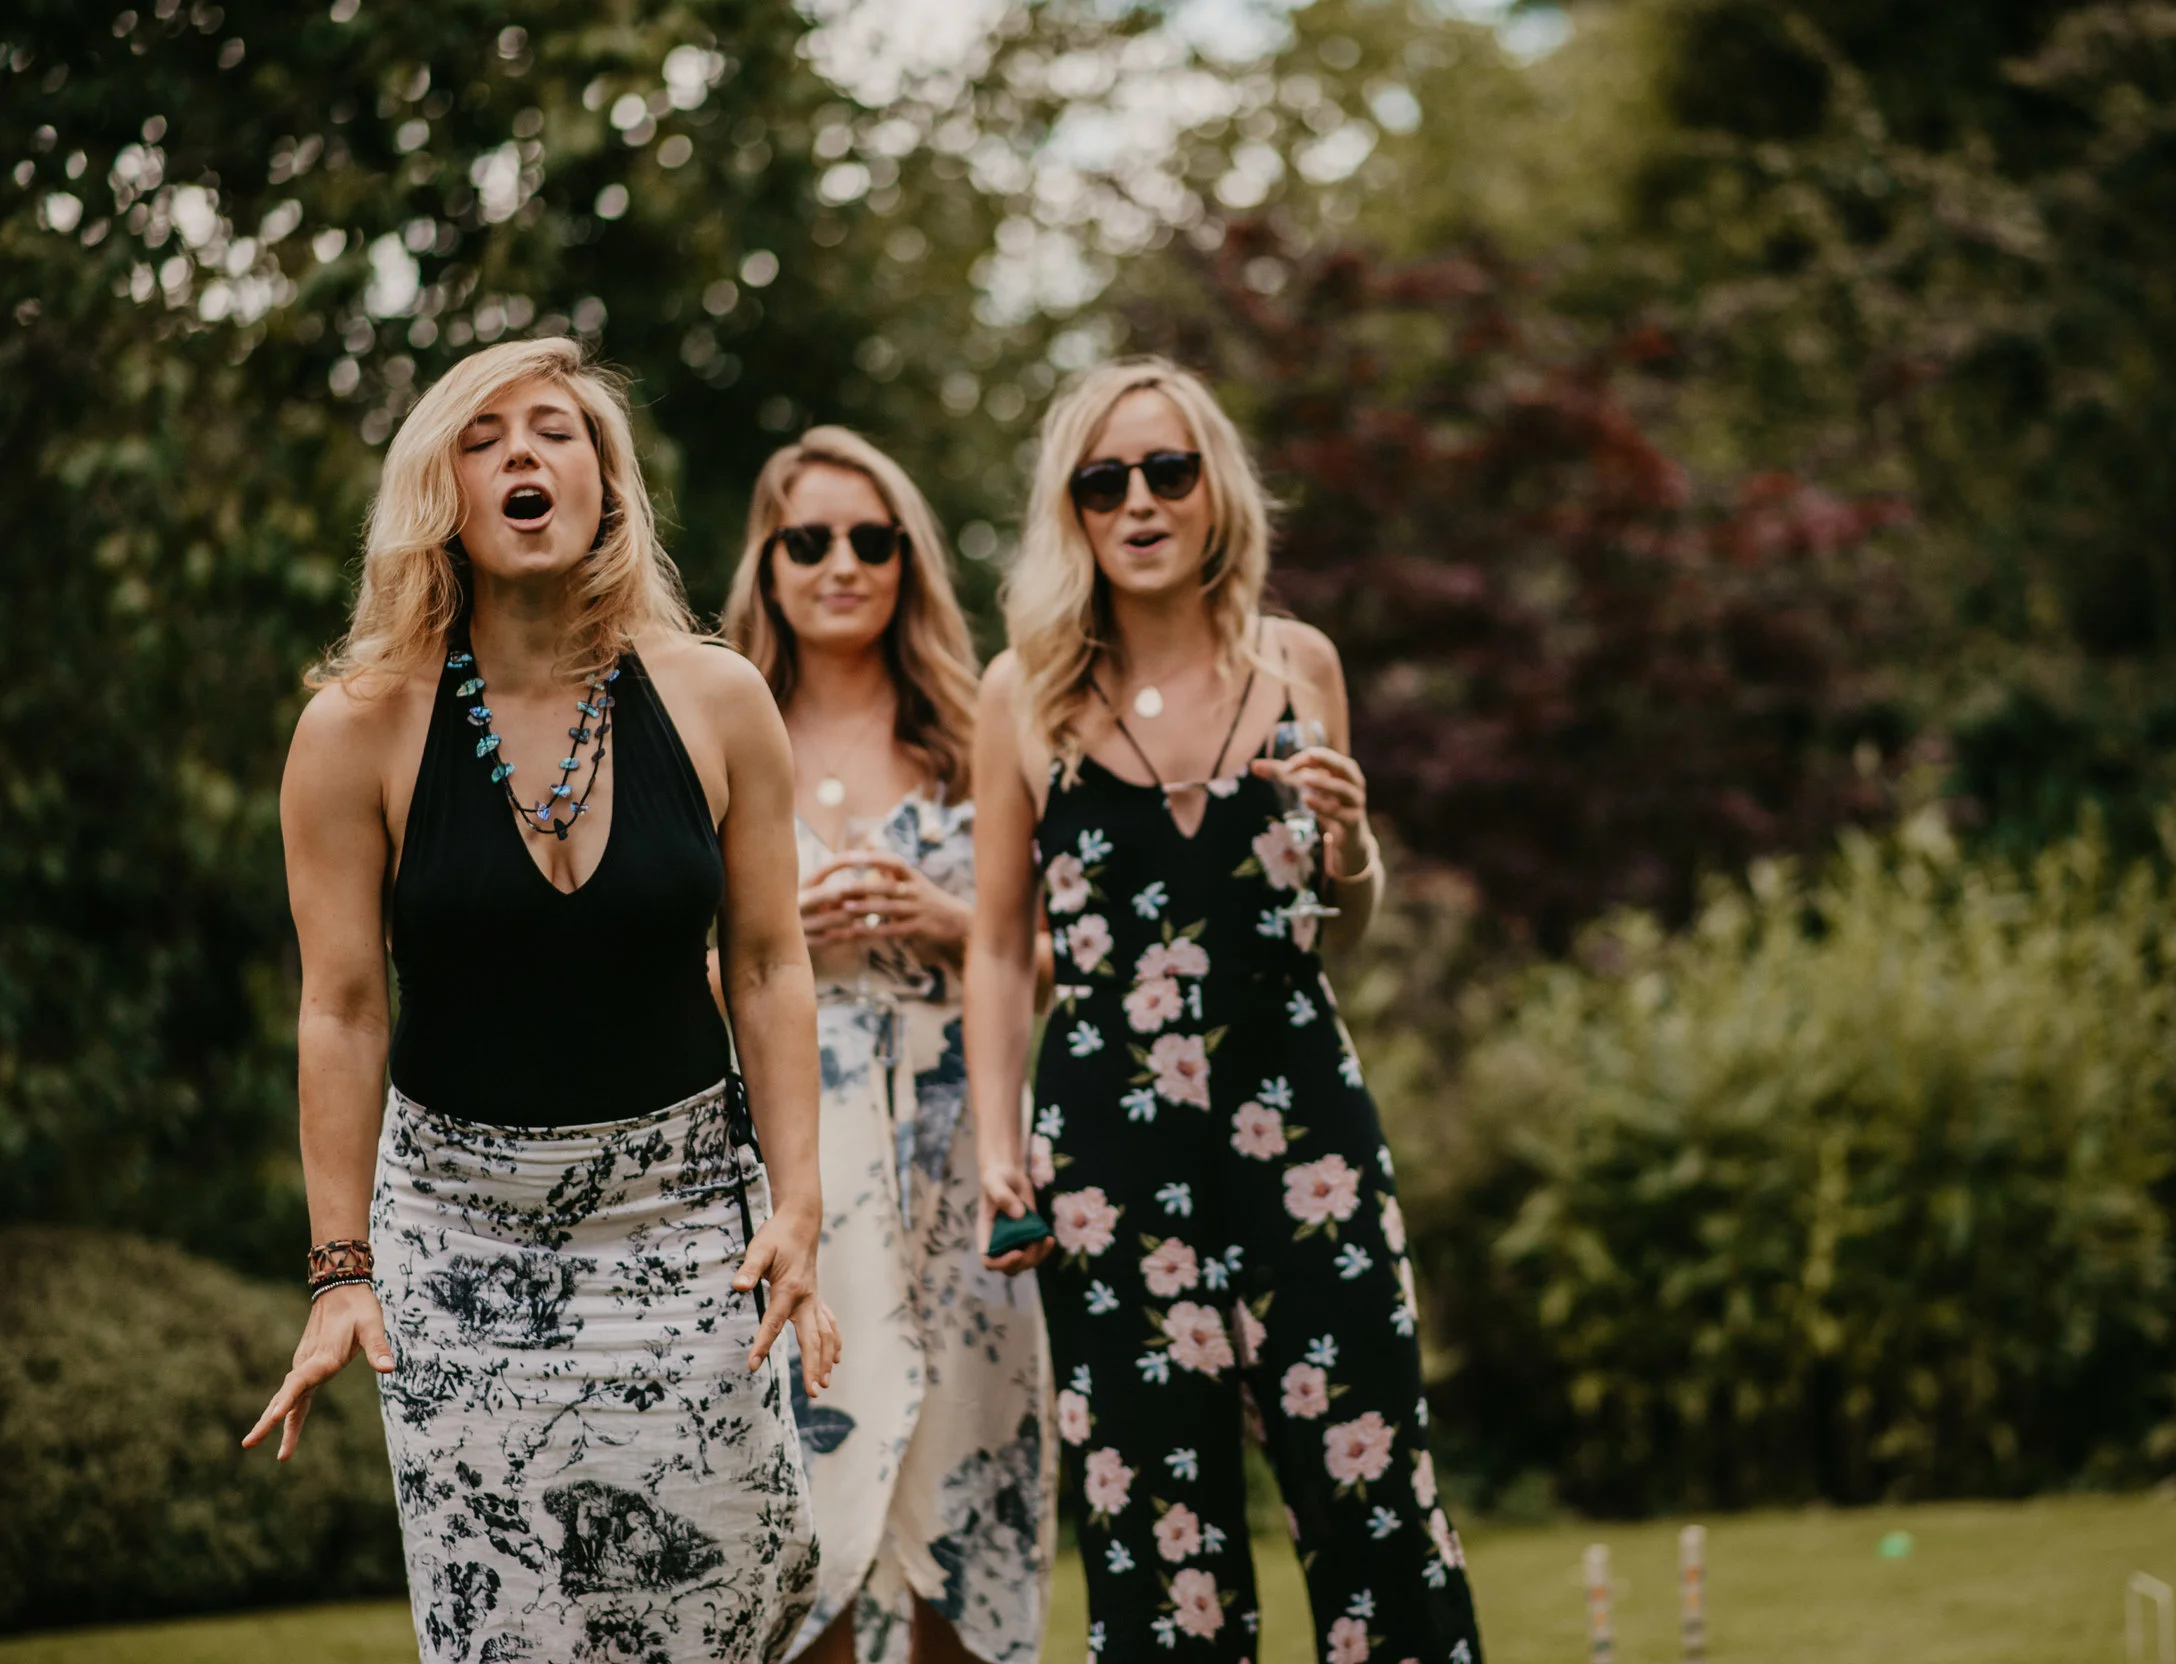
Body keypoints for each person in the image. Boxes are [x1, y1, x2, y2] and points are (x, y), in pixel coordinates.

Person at [244, 337, 838, 1664]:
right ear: (438, 493)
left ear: (607, 486)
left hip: (682, 1217)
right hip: (460, 1242)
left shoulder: (717, 699)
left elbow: (767, 963)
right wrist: (343, 1271)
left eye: (556, 430)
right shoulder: (359, 726)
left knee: (740, 1577)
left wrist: (797, 1205)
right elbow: (341, 1007)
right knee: (507, 1619)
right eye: (483, 433)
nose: (523, 452)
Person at [963, 357, 1485, 1664]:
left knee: (1373, 1495)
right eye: (1104, 481)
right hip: (1108, 1153)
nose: (1138, 502)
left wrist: (1354, 846)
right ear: (1072, 512)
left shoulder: (1301, 666)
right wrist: (994, 1141)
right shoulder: (1022, 695)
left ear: (1214, 493)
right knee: (1156, 1525)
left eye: (1167, 471)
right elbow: (994, 946)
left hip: (1300, 1123)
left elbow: (1335, 933)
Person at [722, 428, 1055, 1664]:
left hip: (958, 1168)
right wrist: (777, 940)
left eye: (875, 539)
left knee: (964, 1507)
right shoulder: (717, 728)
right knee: (810, 1511)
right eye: (809, 540)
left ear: (910, 560)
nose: (843, 563)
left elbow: (1060, 952)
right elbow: (653, 973)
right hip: (793, 1179)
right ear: (768, 562)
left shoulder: (978, 734)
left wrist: (954, 920)